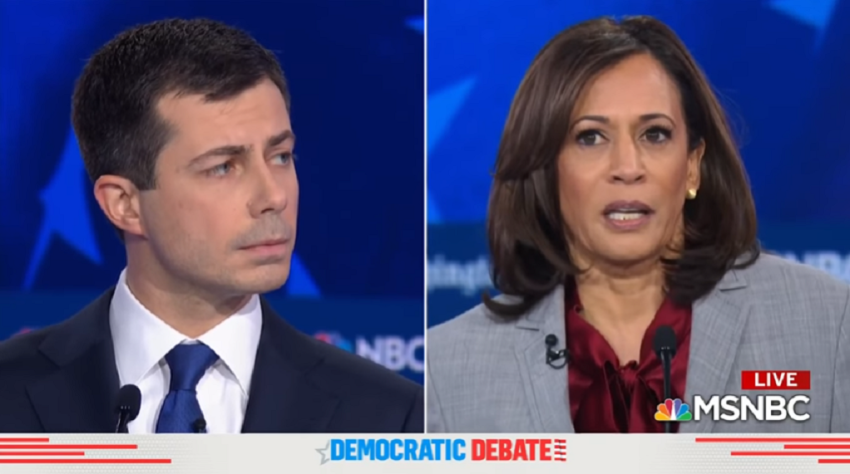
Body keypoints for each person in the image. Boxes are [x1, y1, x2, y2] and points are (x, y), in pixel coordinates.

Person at [426, 16, 850, 433]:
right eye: (590, 137)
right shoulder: (451, 370)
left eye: (654, 134)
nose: (627, 168)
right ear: (546, 171)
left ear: (692, 168)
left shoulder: (827, 324)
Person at [0, 18, 423, 434]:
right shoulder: (10, 393)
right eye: (223, 167)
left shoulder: (389, 418)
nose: (274, 197)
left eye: (280, 157)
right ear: (124, 204)